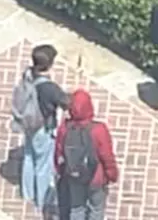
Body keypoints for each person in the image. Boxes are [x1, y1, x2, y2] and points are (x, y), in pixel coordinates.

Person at [13, 44, 70, 213]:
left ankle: (27, 192)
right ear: (49, 64)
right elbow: (65, 103)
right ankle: (42, 199)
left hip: (29, 124)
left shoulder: (28, 75)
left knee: (29, 156)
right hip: (42, 127)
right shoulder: (50, 88)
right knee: (43, 165)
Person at [54, 89, 119, 220]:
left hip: (73, 175)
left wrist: (62, 171)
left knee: (76, 209)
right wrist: (112, 175)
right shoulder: (99, 129)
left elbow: (58, 153)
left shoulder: (65, 128)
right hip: (96, 177)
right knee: (96, 209)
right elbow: (107, 156)